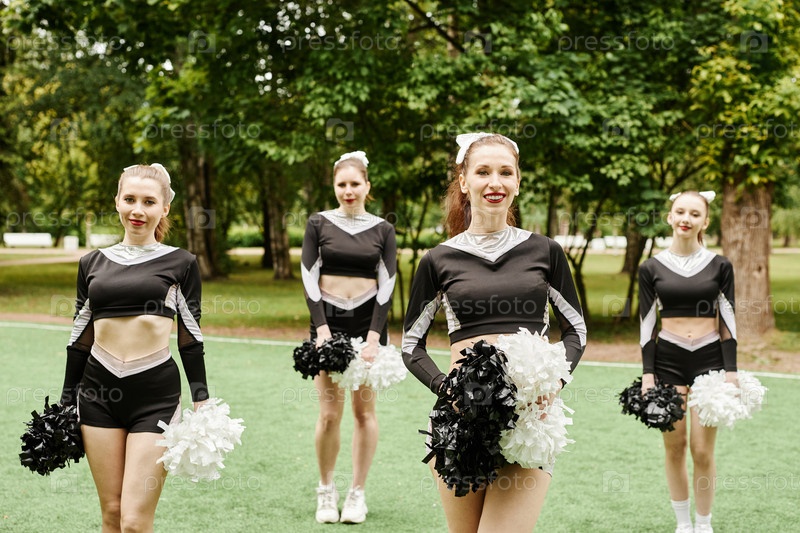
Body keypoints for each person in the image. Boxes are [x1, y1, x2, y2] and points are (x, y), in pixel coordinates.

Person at [401, 133, 587, 532]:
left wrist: (552, 384)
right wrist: (447, 390)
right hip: (460, 421)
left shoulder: (546, 251)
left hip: (528, 420)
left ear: (518, 182)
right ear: (464, 181)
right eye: (483, 172)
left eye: (505, 172)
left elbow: (577, 331)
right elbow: (411, 346)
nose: (495, 182)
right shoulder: (438, 260)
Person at [59, 164, 209, 532]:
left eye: (148, 202)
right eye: (130, 199)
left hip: (155, 397)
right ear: (117, 202)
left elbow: (190, 337)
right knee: (112, 513)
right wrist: (65, 401)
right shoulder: (91, 263)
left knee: (134, 521)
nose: (137, 210)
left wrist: (202, 400)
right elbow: (79, 337)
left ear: (164, 208)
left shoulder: (182, 263)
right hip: (97, 396)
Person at [300, 150, 397, 524]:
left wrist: (374, 337)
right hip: (328, 323)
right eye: (342, 184)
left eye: (355, 183)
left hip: (368, 324)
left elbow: (387, 283)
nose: (348, 190)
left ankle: (357, 492)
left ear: (367, 186)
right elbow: (309, 277)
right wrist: (322, 329)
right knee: (329, 415)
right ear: (334, 186)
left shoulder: (383, 229)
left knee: (364, 412)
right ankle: (326, 490)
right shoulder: (318, 223)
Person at [639, 191, 737, 533]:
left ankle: (704, 523)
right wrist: (648, 374)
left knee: (702, 450)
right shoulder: (651, 267)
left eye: (695, 214)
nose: (686, 219)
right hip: (667, 361)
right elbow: (647, 324)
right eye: (680, 212)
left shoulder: (720, 265)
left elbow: (728, 321)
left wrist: (731, 371)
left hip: (710, 360)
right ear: (670, 217)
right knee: (675, 446)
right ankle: (683, 524)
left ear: (705, 222)